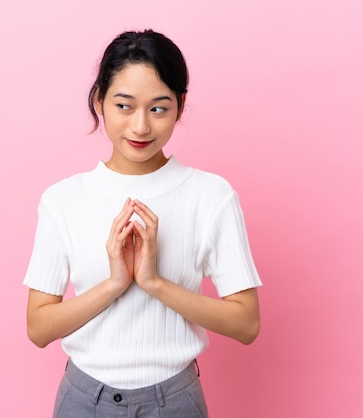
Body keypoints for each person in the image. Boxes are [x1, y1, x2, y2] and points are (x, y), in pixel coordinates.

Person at [24, 29, 262, 418]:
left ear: (180, 106)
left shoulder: (211, 196)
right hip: (84, 400)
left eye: (158, 108)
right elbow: (39, 328)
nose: (140, 127)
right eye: (124, 106)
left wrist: (154, 283)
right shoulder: (62, 200)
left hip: (175, 400)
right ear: (99, 100)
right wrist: (116, 283)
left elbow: (246, 324)